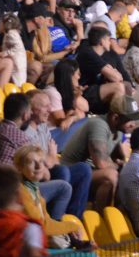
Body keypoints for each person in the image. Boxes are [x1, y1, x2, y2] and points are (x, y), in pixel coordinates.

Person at [0, 93, 72, 216]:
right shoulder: (20, 138)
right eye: (29, 111)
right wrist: (50, 158)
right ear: (25, 115)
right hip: (0, 201)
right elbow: (45, 175)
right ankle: (51, 230)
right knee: (64, 188)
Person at [59, 95, 139, 208]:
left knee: (127, 177)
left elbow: (117, 159)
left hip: (90, 173)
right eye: (130, 120)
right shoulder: (99, 125)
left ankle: (115, 216)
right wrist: (118, 166)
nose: (133, 124)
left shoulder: (118, 131)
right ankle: (99, 215)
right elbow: (101, 163)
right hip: (71, 172)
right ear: (115, 117)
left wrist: (122, 165)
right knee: (110, 176)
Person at [23, 90, 93, 219]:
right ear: (31, 110)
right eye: (45, 106)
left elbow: (52, 160)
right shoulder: (25, 133)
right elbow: (43, 166)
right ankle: (56, 218)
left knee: (84, 169)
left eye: (50, 105)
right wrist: (50, 157)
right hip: (37, 180)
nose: (50, 110)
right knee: (62, 171)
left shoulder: (43, 126)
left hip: (49, 170)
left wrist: (51, 157)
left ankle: (74, 219)